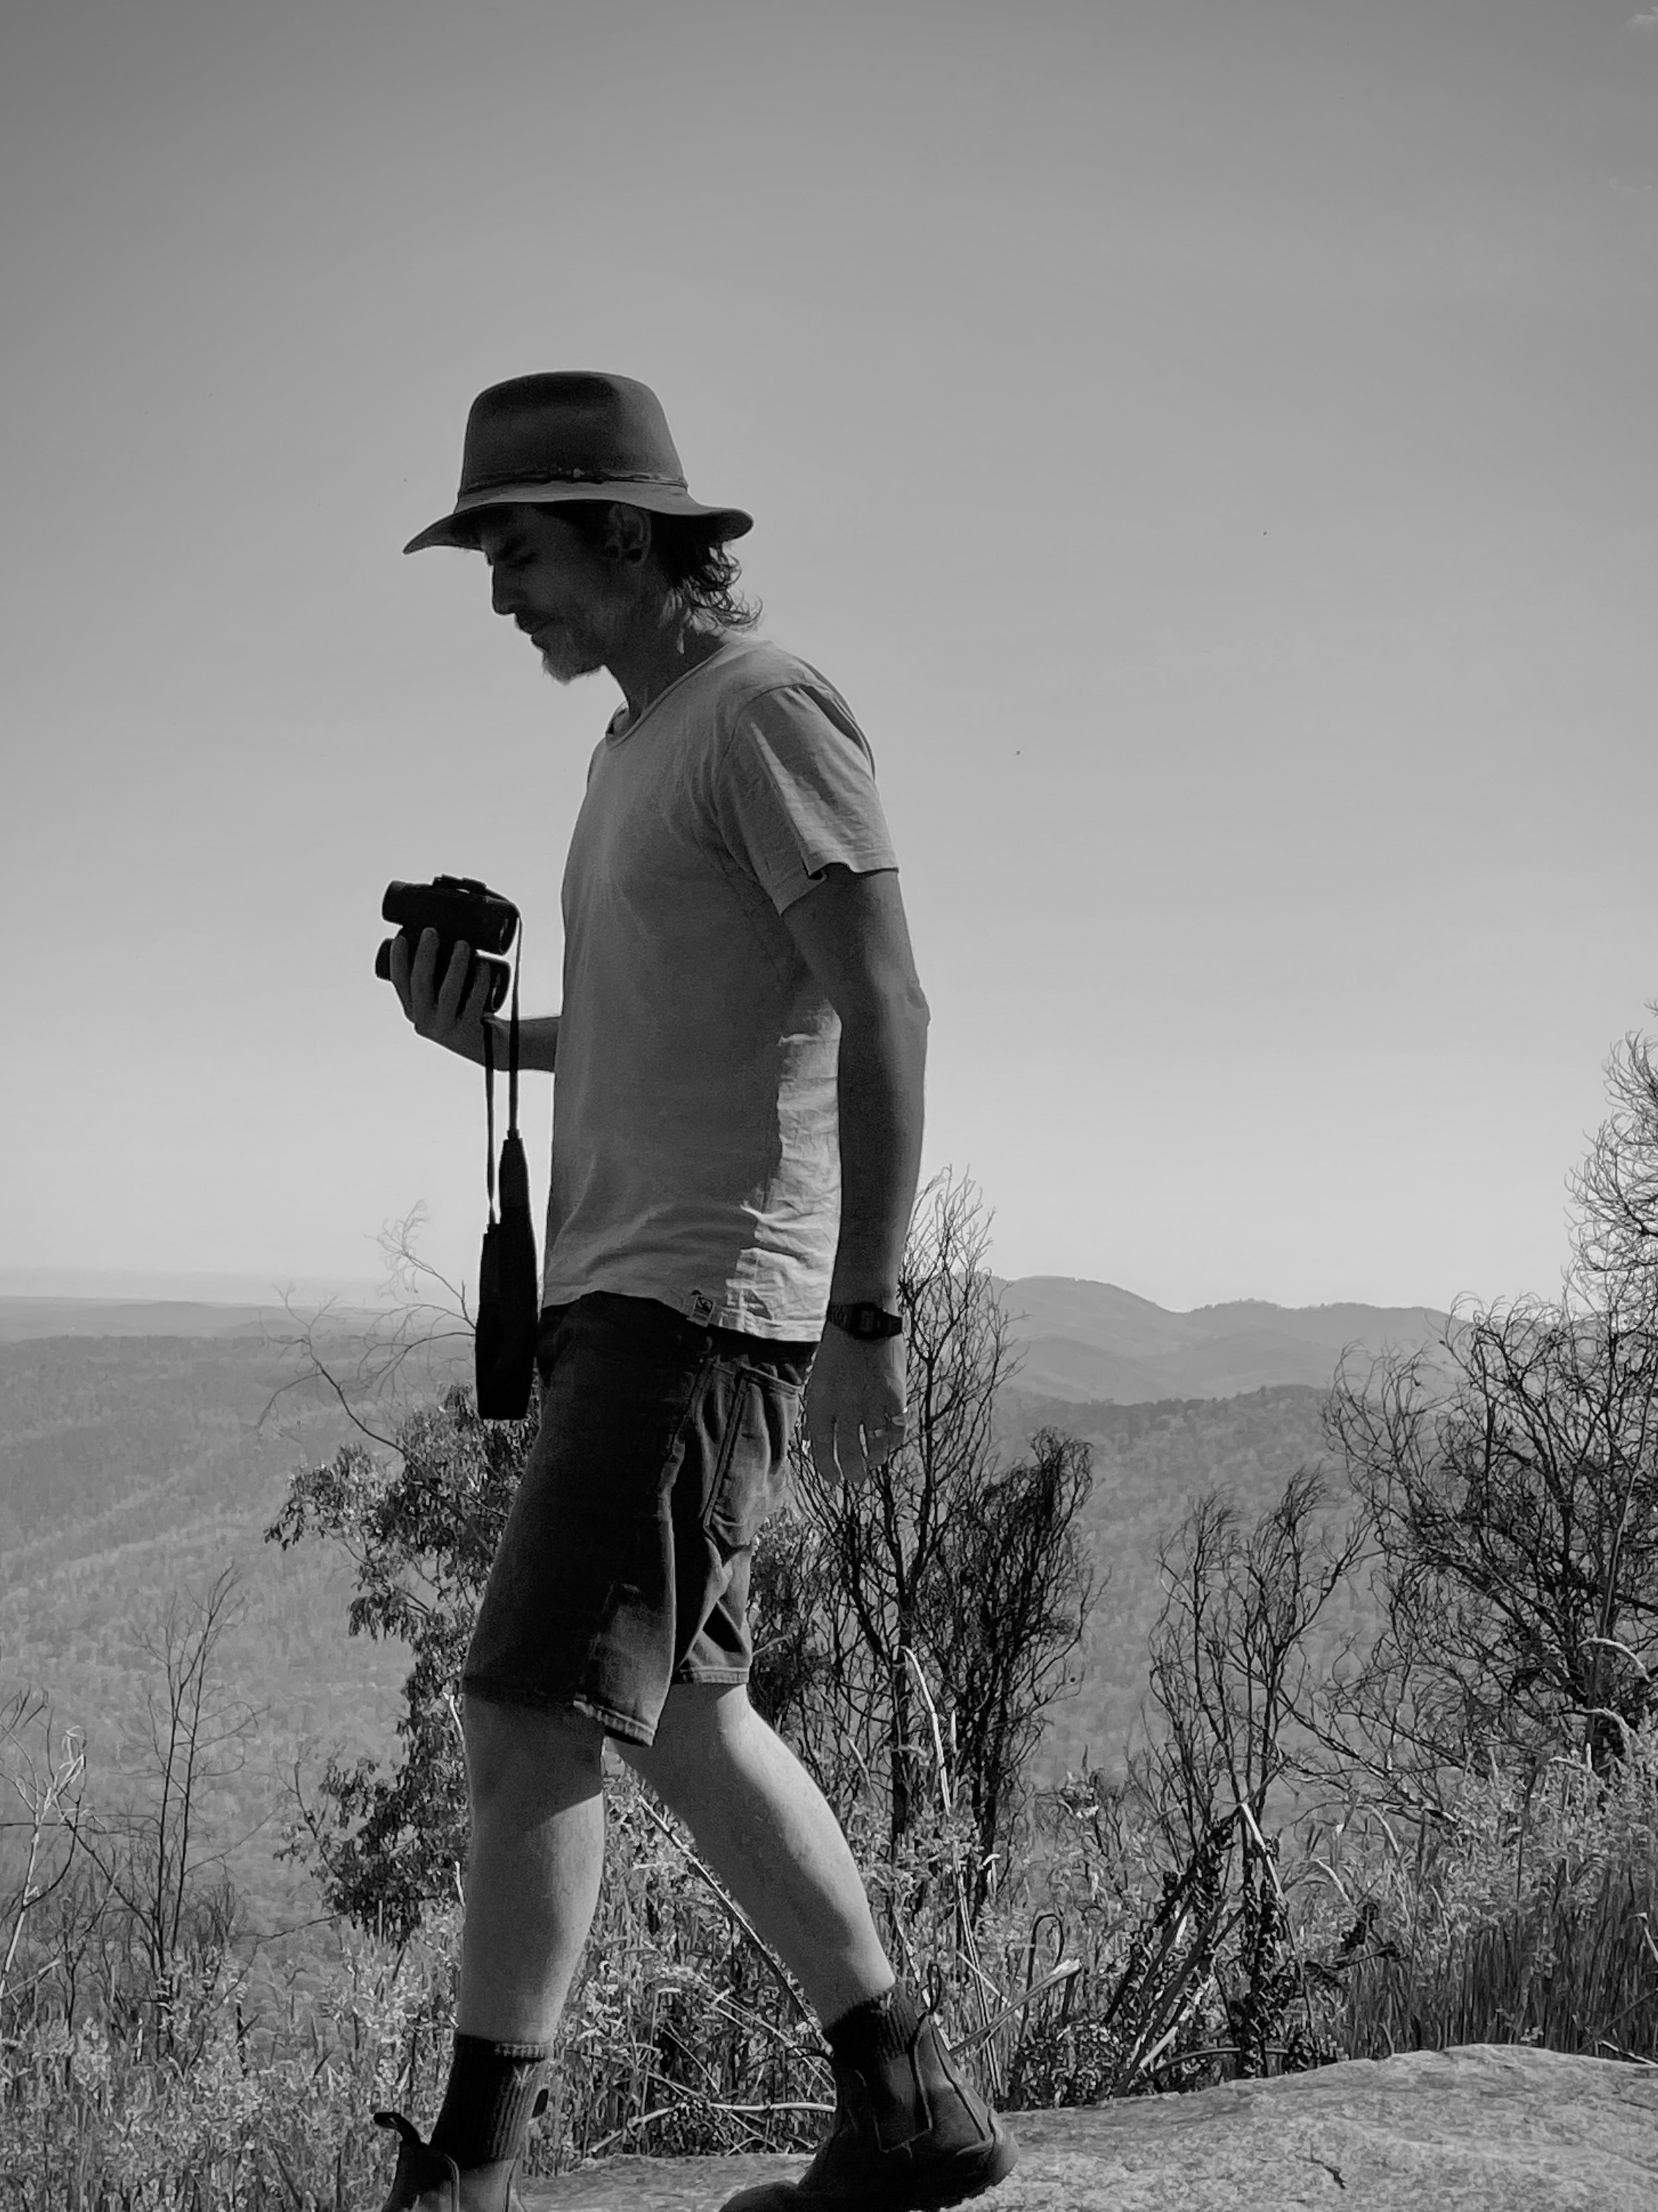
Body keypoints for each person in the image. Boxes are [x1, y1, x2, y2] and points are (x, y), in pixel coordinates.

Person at [375, 373, 1017, 2212]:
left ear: (631, 536)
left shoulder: (763, 709)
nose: (505, 596)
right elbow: (681, 1008)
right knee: (680, 1709)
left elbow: (880, 1001)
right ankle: (908, 2099)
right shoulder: (632, 744)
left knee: (525, 1707)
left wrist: (868, 1317)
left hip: (696, 1295)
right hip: (624, 1289)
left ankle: (472, 2172)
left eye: (522, 551)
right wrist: (492, 1033)